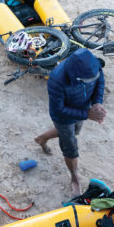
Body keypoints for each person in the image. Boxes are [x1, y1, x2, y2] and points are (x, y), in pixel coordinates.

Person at [34, 48, 106, 199]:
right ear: (76, 76)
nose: (91, 81)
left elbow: (99, 79)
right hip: (64, 117)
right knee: (71, 147)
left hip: (83, 110)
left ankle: (42, 138)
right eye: (87, 80)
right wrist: (87, 114)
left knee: (74, 132)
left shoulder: (93, 64)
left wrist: (97, 102)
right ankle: (74, 178)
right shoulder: (56, 79)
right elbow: (59, 109)